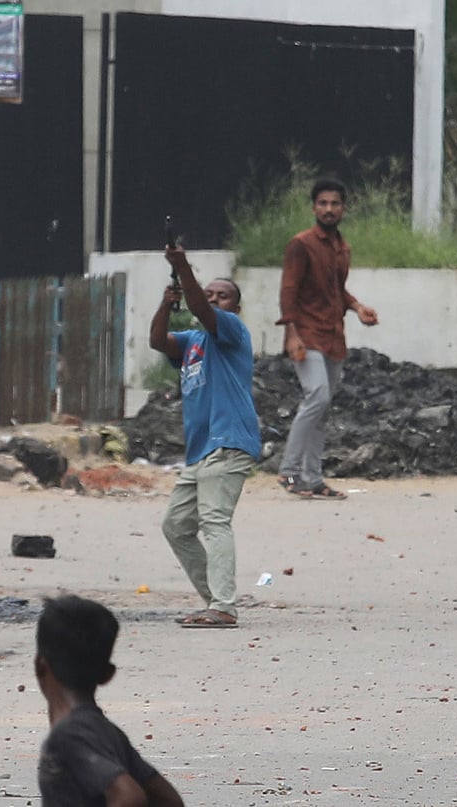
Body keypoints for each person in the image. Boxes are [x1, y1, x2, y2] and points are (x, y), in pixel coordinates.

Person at [149, 246, 261, 628]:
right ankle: (214, 599)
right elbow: (157, 341)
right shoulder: (192, 342)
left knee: (214, 521)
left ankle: (224, 606)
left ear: (235, 306)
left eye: (222, 294)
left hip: (229, 440)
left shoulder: (230, 330)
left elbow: (202, 310)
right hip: (200, 452)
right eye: (209, 292)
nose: (214, 298)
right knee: (176, 525)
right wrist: (167, 302)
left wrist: (182, 268)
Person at [276, 178, 379, 500]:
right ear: (313, 207)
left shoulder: (341, 247)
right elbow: (288, 291)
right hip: (306, 334)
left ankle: (312, 478)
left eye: (335, 204)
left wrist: (358, 307)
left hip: (333, 335)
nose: (329, 209)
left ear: (344, 209)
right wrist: (291, 335)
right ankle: (290, 472)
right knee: (317, 396)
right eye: (323, 203)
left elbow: (336, 290)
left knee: (323, 408)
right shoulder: (301, 244)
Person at [34, 595, 184, 806]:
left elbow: (129, 796)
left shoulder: (67, 738)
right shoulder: (107, 732)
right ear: (107, 674)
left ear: (40, 666)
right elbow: (170, 800)